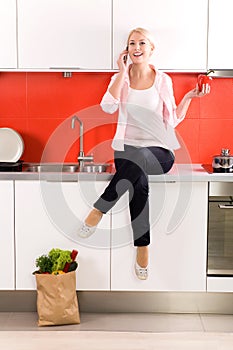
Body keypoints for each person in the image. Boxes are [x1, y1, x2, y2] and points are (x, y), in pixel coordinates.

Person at [78, 27, 210, 280]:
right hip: (126, 149)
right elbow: (107, 107)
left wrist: (190, 97)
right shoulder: (121, 78)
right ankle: (143, 245)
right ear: (126, 50)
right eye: (131, 43)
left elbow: (171, 119)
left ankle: (99, 210)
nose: (136, 47)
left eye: (142, 43)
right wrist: (119, 73)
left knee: (138, 161)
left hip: (159, 151)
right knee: (138, 182)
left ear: (151, 49)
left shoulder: (163, 80)